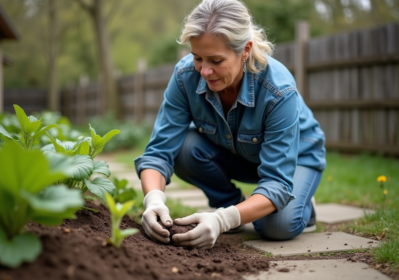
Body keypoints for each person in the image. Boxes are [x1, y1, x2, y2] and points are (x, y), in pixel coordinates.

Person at [135, 0, 326, 249]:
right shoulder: (185, 77)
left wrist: (220, 221)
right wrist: (153, 200)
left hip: (296, 156)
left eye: (216, 60)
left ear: (245, 50)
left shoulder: (278, 90)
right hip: (238, 154)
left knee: (275, 226)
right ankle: (230, 203)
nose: (204, 71)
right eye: (197, 58)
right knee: (184, 148)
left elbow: (277, 181)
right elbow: (158, 153)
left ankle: (300, 204)